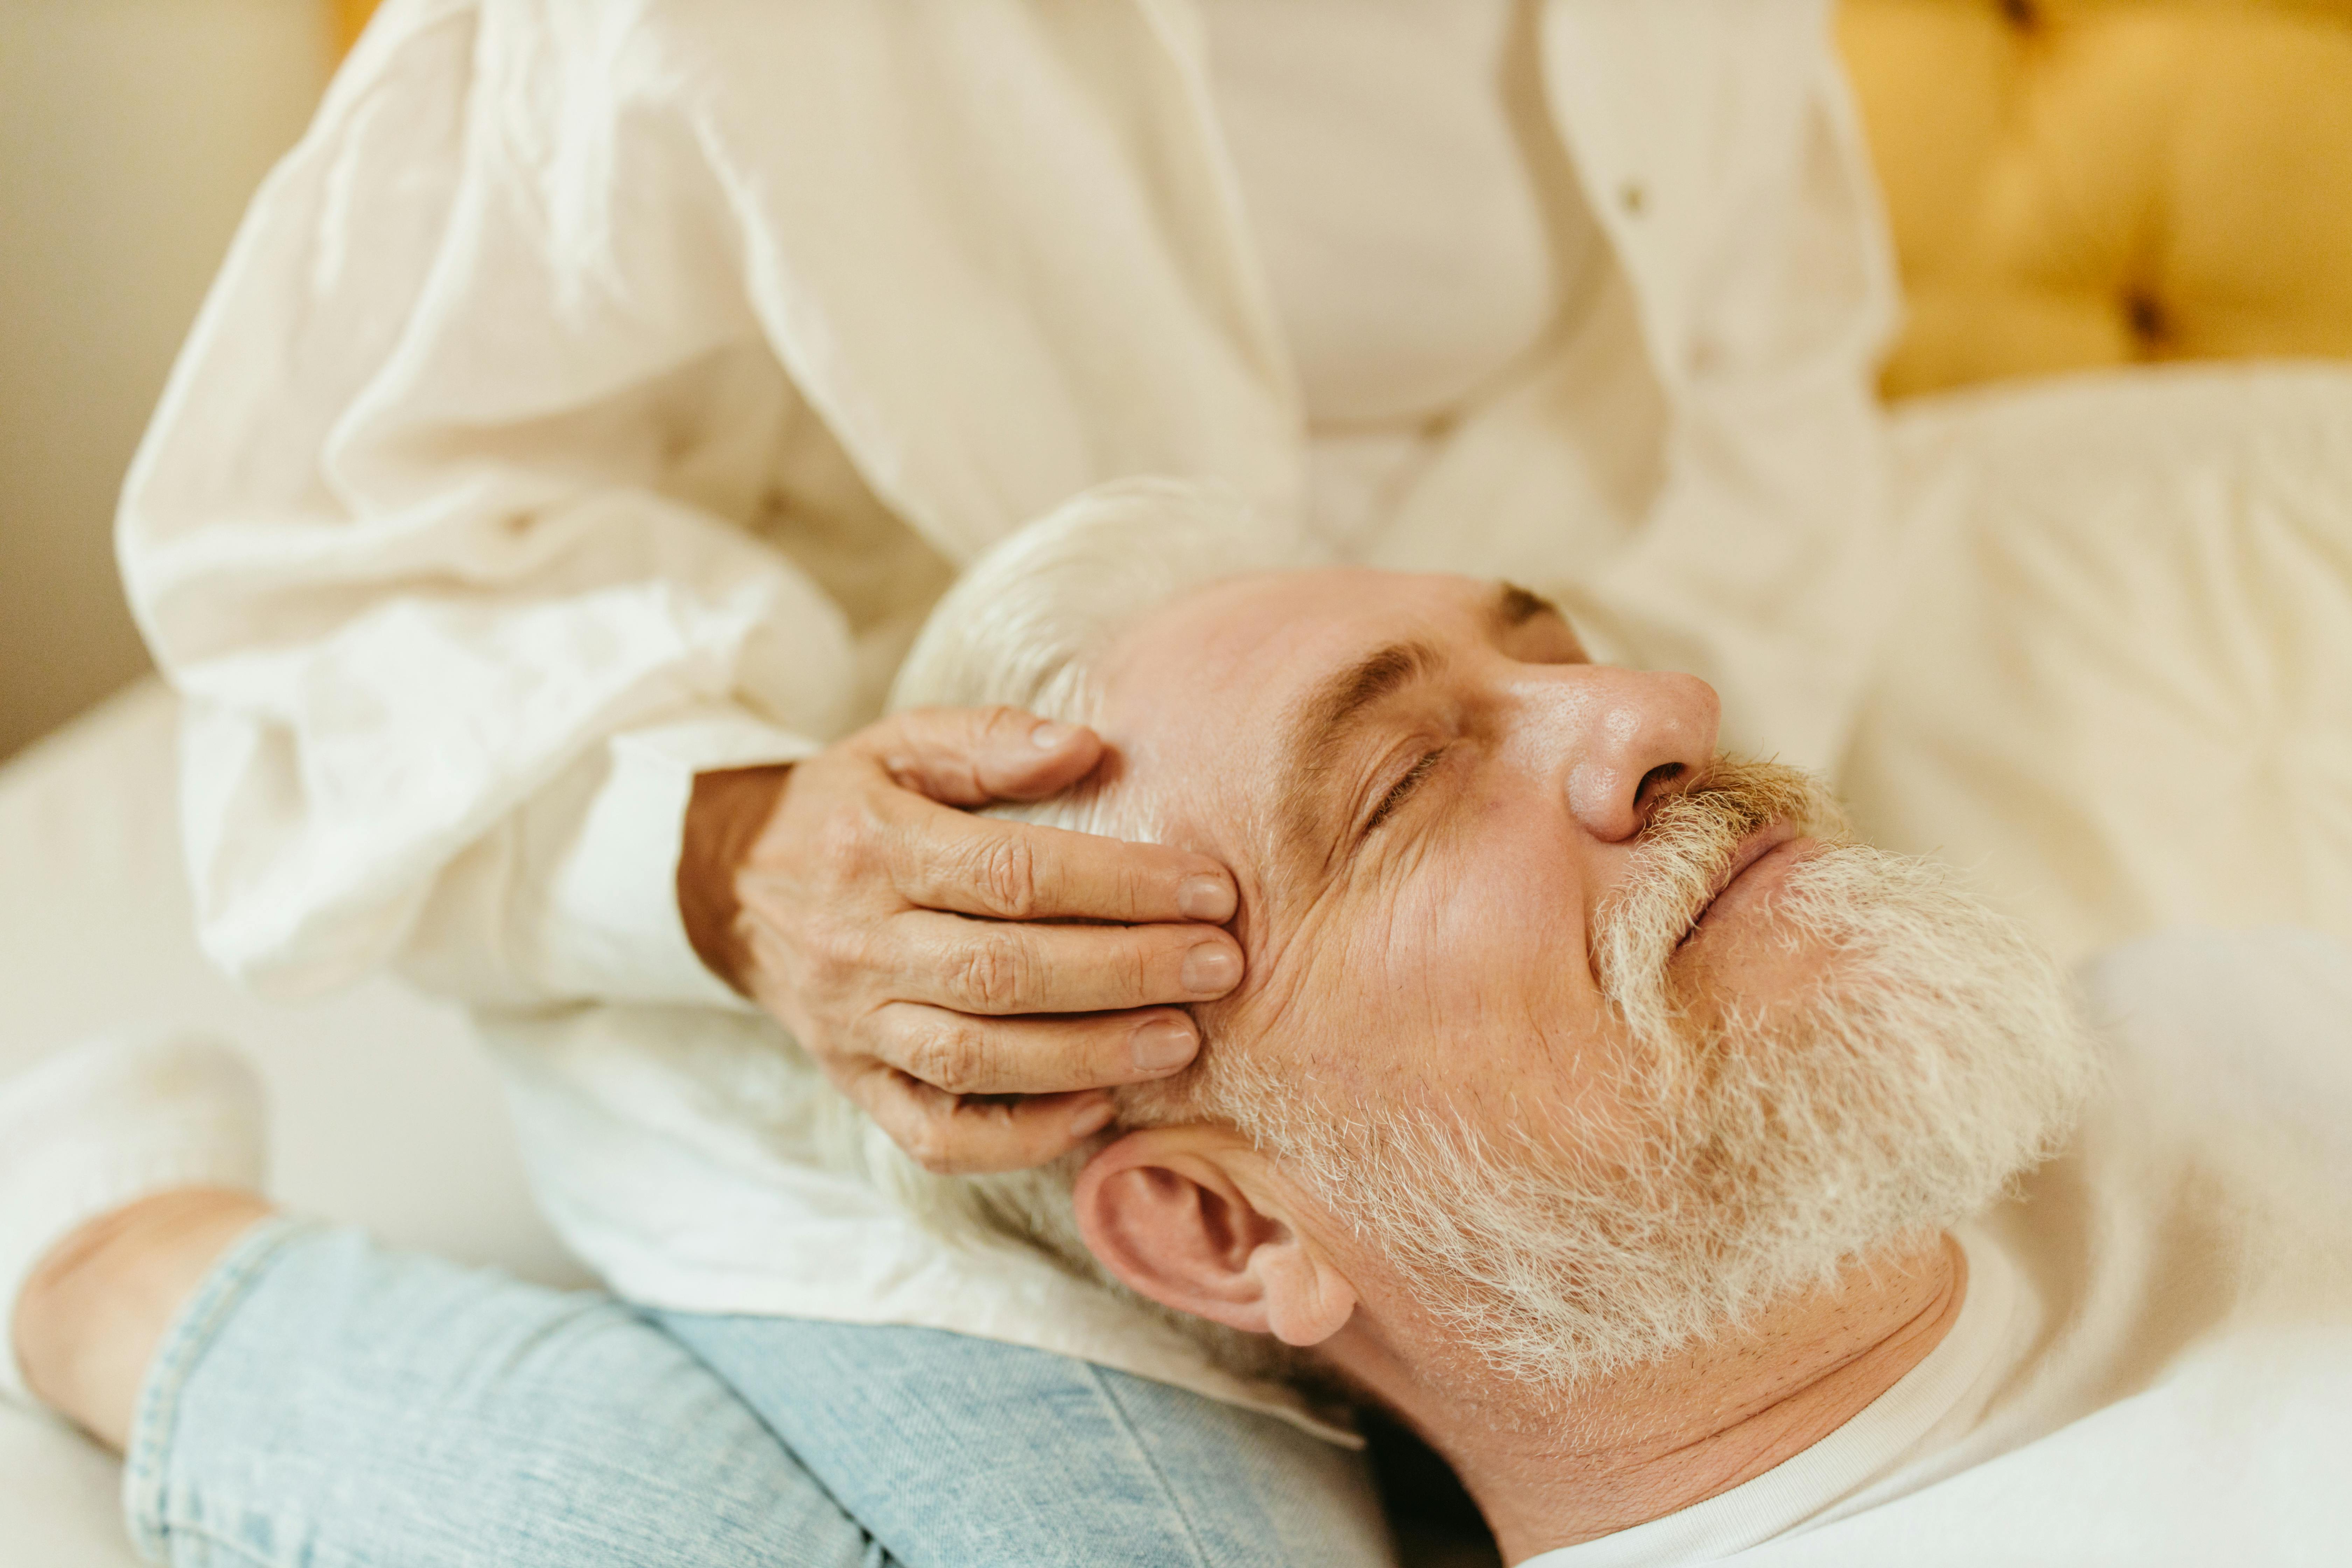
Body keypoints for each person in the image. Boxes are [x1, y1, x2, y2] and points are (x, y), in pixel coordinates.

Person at [105, 1, 1899, 1558]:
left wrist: (1608, 851)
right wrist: (747, 860)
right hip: (895, 984)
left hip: (1532, 909)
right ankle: (121, 1257)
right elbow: (300, 583)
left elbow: (1767, 403)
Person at [11, 490, 2350, 1565]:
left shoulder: (2223, 1039)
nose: (1653, 710)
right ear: (1230, 1233)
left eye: (1564, 644)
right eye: (1410, 779)